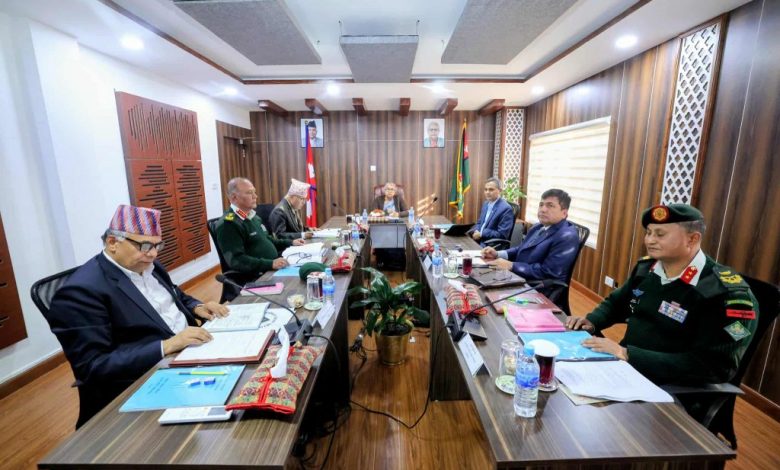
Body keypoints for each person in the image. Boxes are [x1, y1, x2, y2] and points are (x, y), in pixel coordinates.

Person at [46, 204, 229, 428]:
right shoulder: (81, 292)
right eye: (144, 245)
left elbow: (175, 294)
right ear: (112, 242)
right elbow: (94, 367)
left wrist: (196, 306)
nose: (153, 253)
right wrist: (167, 345)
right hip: (148, 377)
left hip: (191, 350)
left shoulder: (149, 265)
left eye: (157, 245)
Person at [566, 203, 759, 386]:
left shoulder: (727, 296)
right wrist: (592, 321)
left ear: (692, 239)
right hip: (626, 368)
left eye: (660, 234)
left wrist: (627, 354)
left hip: (671, 387)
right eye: (648, 232)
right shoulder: (647, 269)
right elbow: (618, 303)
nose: (650, 240)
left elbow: (715, 366)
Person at [216, 178, 304, 285]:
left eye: (254, 192)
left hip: (272, 266)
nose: (255, 196)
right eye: (249, 192)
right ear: (234, 197)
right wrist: (270, 264)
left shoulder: (253, 217)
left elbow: (268, 240)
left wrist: (291, 242)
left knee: (307, 272)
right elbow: (236, 260)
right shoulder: (229, 224)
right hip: (256, 276)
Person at [482, 188, 578, 285]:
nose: (543, 209)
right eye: (541, 205)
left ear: (564, 213)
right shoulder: (538, 226)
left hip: (536, 286)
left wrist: (512, 265)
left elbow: (548, 272)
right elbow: (521, 249)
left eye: (550, 205)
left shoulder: (567, 236)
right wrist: (498, 254)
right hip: (518, 276)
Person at [468, 177, 514, 245]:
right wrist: (475, 231)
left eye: (491, 189)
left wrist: (481, 234)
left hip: (489, 244)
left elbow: (502, 234)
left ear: (500, 191)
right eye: (485, 189)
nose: (487, 192)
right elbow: (480, 222)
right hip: (478, 239)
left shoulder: (506, 209)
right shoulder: (486, 204)